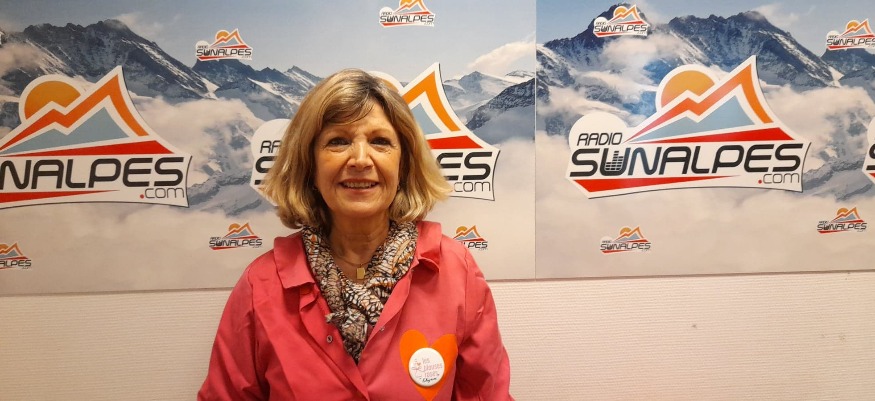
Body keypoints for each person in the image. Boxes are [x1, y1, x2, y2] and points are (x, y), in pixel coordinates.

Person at [198, 69, 514, 400]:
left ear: (404, 164)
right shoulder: (262, 285)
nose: (361, 160)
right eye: (338, 141)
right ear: (309, 164)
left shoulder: (456, 272)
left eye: (380, 141)